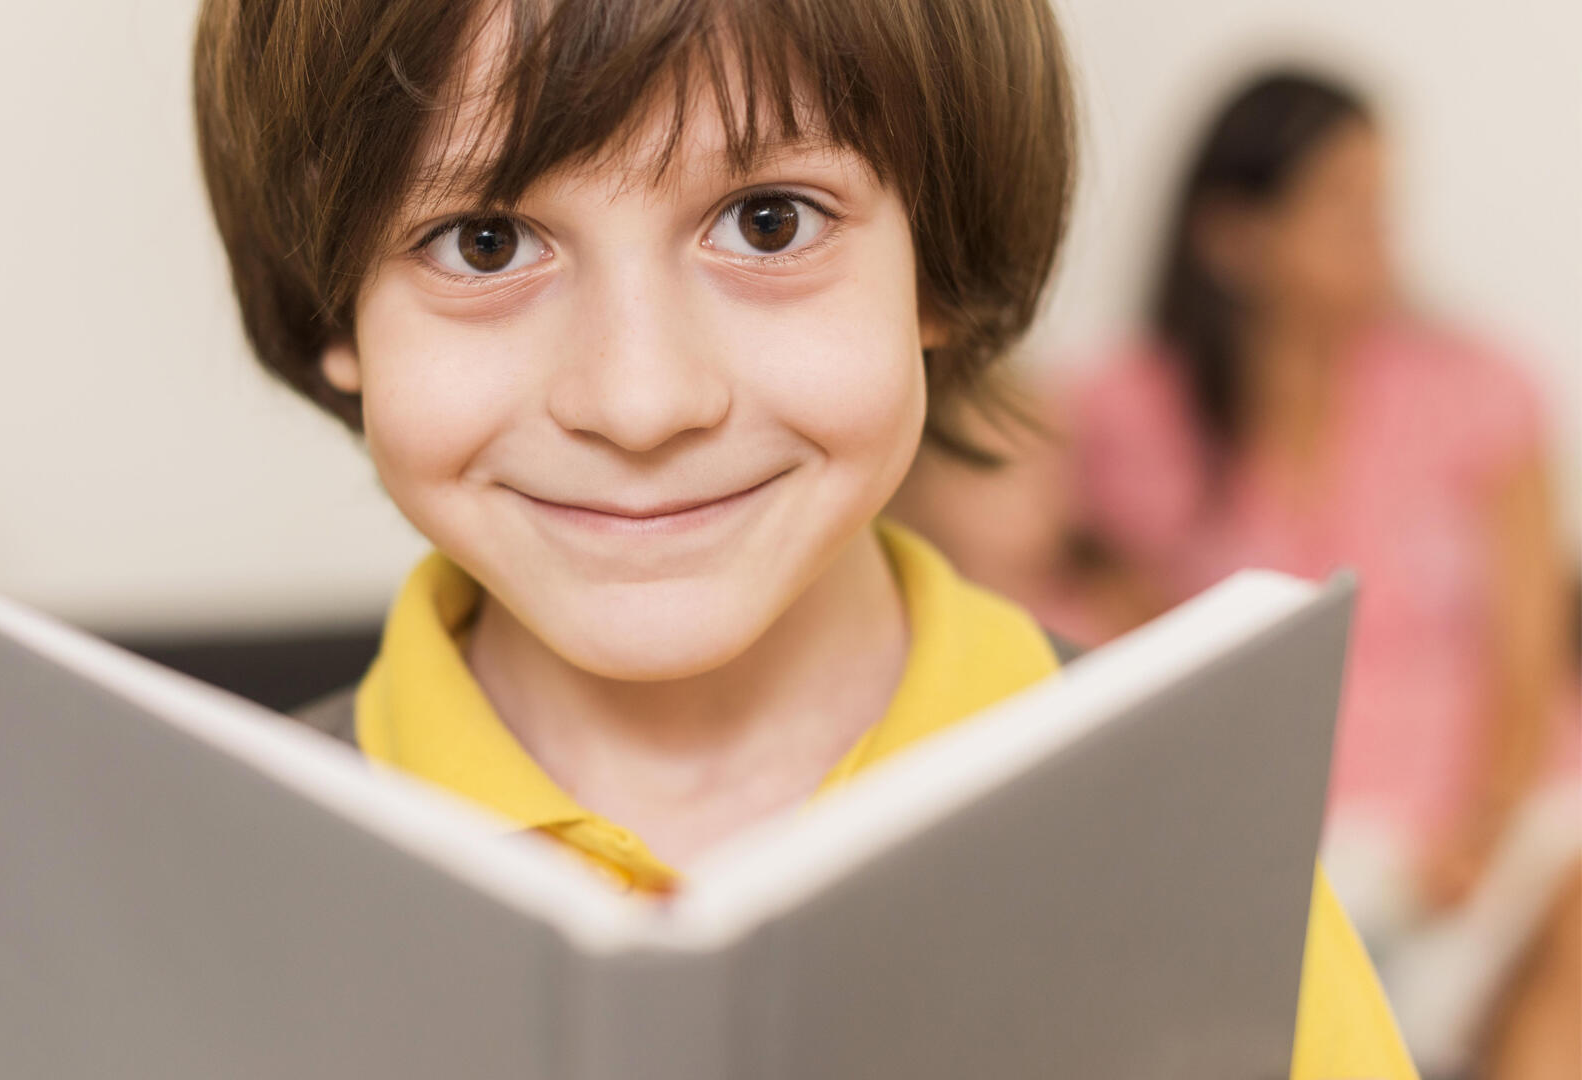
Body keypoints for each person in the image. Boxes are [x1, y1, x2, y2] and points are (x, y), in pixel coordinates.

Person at [192, 4, 1415, 1075]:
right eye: (486, 241)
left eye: (769, 223)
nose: (640, 400)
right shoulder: (207, 894)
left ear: (936, 263)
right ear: (331, 304)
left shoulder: (1192, 841)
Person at [1057, 70, 1578, 1078]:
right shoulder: (1122, 415)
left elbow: (1530, 647)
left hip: (1493, 833)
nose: (1381, 233)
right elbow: (1120, 643)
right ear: (1234, 237)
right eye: (1344, 204)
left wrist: (1479, 833)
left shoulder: (1482, 388)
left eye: (1384, 202)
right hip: (1281, 848)